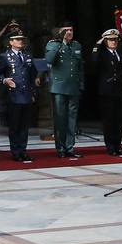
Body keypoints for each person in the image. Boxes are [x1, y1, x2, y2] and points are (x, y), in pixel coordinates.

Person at [0, 25, 40, 163]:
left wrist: (33, 92)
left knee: (24, 126)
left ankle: (23, 150)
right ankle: (15, 151)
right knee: (15, 126)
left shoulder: (27, 55)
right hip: (13, 95)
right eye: (17, 39)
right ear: (10, 42)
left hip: (26, 95)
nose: (20, 41)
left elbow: (32, 75)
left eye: (21, 39)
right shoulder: (4, 56)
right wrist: (4, 80)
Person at [43, 23, 85, 159]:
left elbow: (80, 67)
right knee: (60, 119)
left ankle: (70, 147)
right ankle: (60, 147)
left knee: (72, 119)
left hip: (73, 86)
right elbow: (49, 60)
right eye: (66, 30)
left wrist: (81, 84)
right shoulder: (52, 45)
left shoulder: (76, 45)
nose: (69, 32)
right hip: (59, 87)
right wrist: (60, 42)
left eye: (71, 30)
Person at [92, 29, 122, 157]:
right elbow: (94, 62)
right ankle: (110, 147)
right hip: (107, 92)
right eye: (110, 40)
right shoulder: (102, 54)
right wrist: (97, 45)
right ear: (105, 41)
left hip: (119, 91)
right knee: (109, 121)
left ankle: (118, 145)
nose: (113, 42)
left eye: (115, 39)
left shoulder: (120, 53)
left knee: (119, 120)